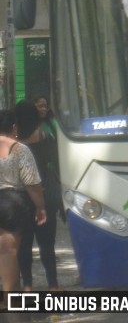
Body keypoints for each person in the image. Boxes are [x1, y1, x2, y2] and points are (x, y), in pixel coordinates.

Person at [15, 99, 62, 291]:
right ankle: (53, 285)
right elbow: (56, 163)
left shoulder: (13, 143)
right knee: (47, 243)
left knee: (24, 245)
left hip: (20, 198)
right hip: (44, 194)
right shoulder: (44, 137)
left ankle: (27, 285)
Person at [0, 109, 46, 305]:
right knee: (11, 252)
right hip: (12, 204)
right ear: (13, 127)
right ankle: (13, 302)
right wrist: (41, 207)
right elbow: (32, 183)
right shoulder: (19, 149)